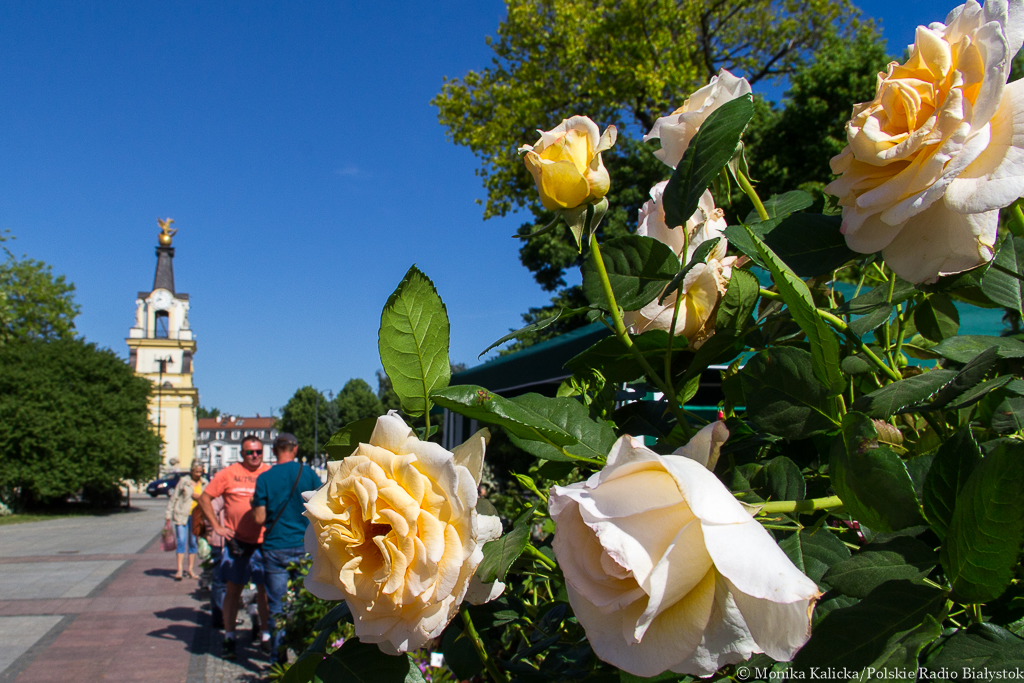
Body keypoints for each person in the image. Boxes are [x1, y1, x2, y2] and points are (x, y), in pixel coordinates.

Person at [198, 435, 271, 660]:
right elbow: (204, 498)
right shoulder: (228, 473)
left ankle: (266, 636)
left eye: (259, 451)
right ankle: (229, 636)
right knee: (233, 590)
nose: (255, 456)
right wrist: (217, 527)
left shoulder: (269, 473)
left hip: (263, 542)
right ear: (242, 454)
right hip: (237, 542)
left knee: (264, 592)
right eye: (250, 452)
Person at [252, 432, 322, 665]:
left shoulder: (264, 478)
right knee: (306, 602)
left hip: (275, 548)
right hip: (305, 547)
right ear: (295, 449)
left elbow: (260, 518)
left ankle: (277, 659)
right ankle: (307, 656)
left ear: (274, 450)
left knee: (277, 606)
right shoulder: (308, 474)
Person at [165, 462, 204, 581]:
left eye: (200, 472)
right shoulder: (184, 481)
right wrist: (168, 514)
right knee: (181, 540)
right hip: (182, 515)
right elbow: (174, 497)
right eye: (196, 471)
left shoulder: (204, 483)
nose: (198, 474)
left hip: (196, 516)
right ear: (191, 471)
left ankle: (191, 569)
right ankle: (179, 570)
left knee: (193, 542)